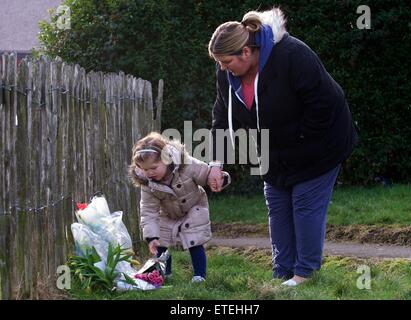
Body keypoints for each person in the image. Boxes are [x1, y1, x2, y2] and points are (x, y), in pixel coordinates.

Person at [207, 8, 358, 286]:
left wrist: (299, 146)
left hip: (319, 143)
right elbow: (221, 117)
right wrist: (216, 163)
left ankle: (305, 275)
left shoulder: (293, 56)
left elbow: (323, 104)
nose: (222, 68)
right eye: (219, 63)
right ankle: (282, 274)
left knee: (304, 204)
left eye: (226, 62)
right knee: (277, 206)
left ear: (246, 52)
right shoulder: (227, 77)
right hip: (273, 150)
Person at [129, 132, 229, 283]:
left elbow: (205, 174)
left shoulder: (187, 165)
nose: (149, 173)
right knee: (161, 244)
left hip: (193, 208)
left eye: (153, 168)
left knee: (195, 240)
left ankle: (199, 275)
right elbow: (149, 210)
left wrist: (217, 179)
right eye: (144, 169)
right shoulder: (148, 184)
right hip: (168, 213)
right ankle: (164, 273)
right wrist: (151, 237)